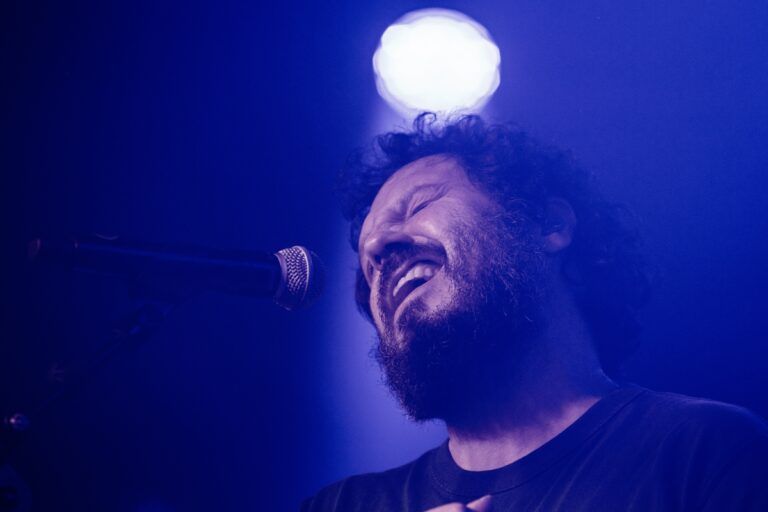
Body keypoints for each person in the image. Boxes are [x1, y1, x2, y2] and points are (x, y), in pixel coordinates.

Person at [301, 114, 768, 511]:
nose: (378, 247)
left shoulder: (705, 452)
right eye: (369, 262)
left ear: (549, 224)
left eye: (417, 206)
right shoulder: (341, 505)